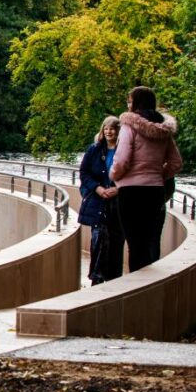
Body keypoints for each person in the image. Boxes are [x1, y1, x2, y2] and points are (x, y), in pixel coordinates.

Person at [111, 86, 183, 273]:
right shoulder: (164, 131)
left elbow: (122, 160)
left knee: (135, 244)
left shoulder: (128, 127)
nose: (128, 105)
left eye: (130, 101)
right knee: (149, 241)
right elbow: (176, 162)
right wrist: (158, 174)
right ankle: (150, 283)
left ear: (136, 103)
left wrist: (114, 175)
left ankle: (137, 285)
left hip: (131, 192)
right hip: (155, 191)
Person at [78, 116, 125, 284]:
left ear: (118, 131)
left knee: (116, 243)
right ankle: (96, 279)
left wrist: (118, 189)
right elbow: (84, 173)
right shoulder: (94, 150)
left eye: (112, 128)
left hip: (118, 205)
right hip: (98, 203)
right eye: (106, 128)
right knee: (98, 241)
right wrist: (98, 188)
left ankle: (114, 281)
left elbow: (131, 174)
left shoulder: (124, 150)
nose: (108, 131)